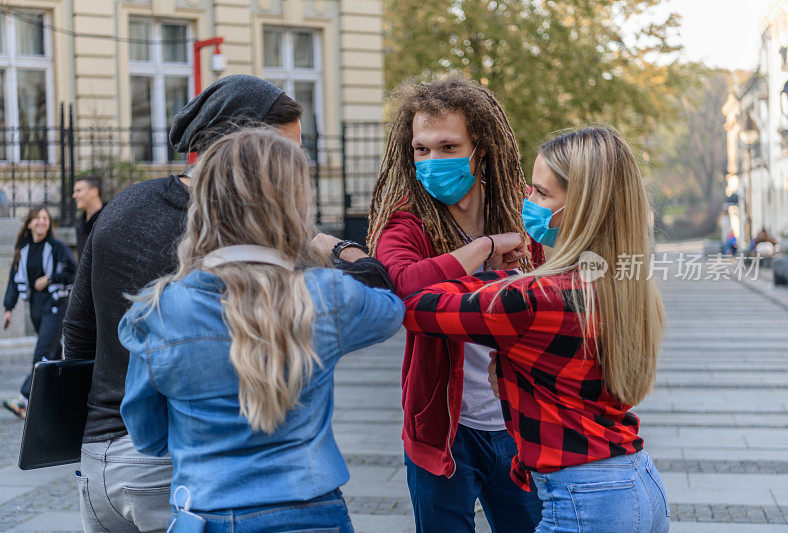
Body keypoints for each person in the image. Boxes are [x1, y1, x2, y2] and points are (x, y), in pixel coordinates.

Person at [63, 74, 393, 533]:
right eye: (287, 152)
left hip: (100, 462)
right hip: (176, 476)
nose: (297, 164)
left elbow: (78, 332)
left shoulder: (124, 204)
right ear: (246, 153)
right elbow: (379, 294)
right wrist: (329, 247)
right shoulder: (258, 242)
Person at [403, 127, 670, 533]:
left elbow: (416, 305)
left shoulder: (536, 298)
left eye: (541, 195)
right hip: (636, 481)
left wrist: (483, 248)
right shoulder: (621, 282)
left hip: (583, 501)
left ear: (581, 207)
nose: (526, 203)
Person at [367, 75, 545, 532]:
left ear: (479, 149)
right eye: (421, 149)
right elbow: (401, 288)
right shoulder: (406, 224)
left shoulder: (526, 214)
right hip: (442, 432)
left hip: (520, 425)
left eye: (447, 147)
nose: (432, 161)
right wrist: (481, 249)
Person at [3, 206, 76, 418]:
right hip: (36, 307)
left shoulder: (57, 247)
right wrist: (8, 308)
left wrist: (51, 278)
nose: (42, 222)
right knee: (53, 354)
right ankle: (64, 397)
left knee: (41, 352)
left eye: (45, 219)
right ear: (29, 223)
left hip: (55, 306)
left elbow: (73, 272)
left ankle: (25, 398)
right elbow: (13, 281)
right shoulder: (23, 250)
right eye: (37, 218)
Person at [73, 175, 104, 259]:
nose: (74, 195)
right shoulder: (80, 223)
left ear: (94, 192)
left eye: (78, 191)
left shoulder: (108, 220)